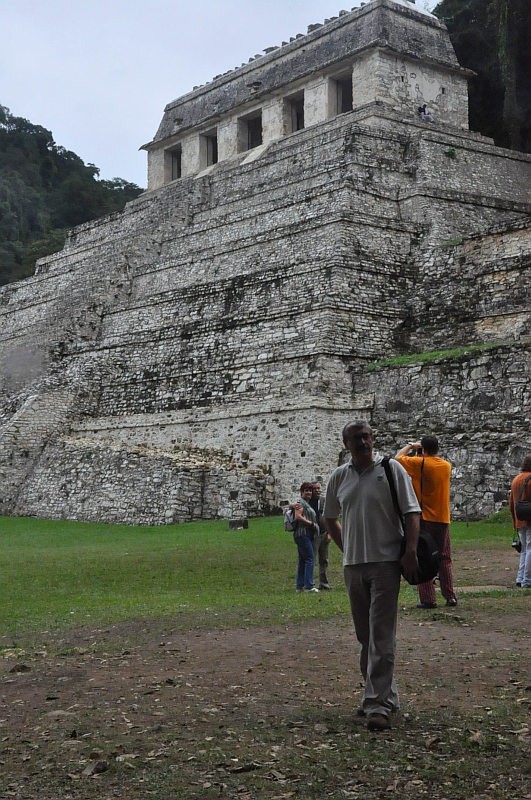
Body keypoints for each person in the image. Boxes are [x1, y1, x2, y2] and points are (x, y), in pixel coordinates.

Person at [324, 420, 420, 731]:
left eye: (366, 436)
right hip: (354, 566)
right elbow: (330, 518)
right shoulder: (339, 477)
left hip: (386, 564)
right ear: (345, 443)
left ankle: (378, 704)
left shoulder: (392, 470)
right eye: (356, 438)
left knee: (381, 634)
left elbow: (412, 512)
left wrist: (409, 552)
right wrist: (347, 548)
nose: (363, 442)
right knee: (365, 636)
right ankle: (380, 695)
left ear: (373, 438)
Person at [395, 435, 457, 609]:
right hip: (443, 518)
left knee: (423, 555)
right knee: (444, 557)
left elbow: (397, 459)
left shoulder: (420, 464)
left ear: (423, 449)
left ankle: (428, 598)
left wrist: (410, 446)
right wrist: (420, 450)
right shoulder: (446, 466)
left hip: (425, 518)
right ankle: (450, 595)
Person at [293, 482, 320, 593]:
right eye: (306, 490)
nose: (309, 492)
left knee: (303, 560)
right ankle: (309, 586)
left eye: (310, 490)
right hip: (303, 533)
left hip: (304, 534)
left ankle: (300, 586)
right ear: (302, 492)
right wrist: (310, 523)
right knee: (310, 558)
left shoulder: (306, 503)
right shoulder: (301, 503)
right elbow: (298, 516)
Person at [509, 456, 531, 589]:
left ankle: (520, 577)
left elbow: (512, 503)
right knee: (530, 549)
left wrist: (514, 521)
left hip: (519, 519)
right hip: (530, 519)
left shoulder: (516, 479)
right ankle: (527, 580)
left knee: (524, 550)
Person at [309, 482, 332, 590]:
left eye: (319, 488)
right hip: (313, 535)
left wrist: (329, 533)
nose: (317, 490)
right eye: (315, 489)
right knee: (311, 559)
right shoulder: (307, 502)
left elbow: (330, 517)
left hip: (324, 533)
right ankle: (309, 583)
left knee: (324, 560)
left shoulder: (324, 501)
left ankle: (324, 584)